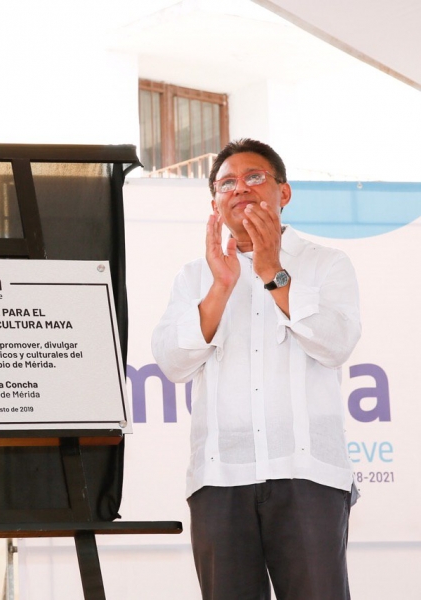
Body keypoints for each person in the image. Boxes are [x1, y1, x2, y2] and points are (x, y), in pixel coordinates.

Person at [152, 139, 361, 600]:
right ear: (215, 204)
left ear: (283, 192)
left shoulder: (326, 263)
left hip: (308, 473)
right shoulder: (195, 276)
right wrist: (221, 288)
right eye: (226, 183)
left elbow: (336, 344)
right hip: (220, 477)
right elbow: (171, 362)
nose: (240, 188)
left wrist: (272, 272)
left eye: (254, 177)